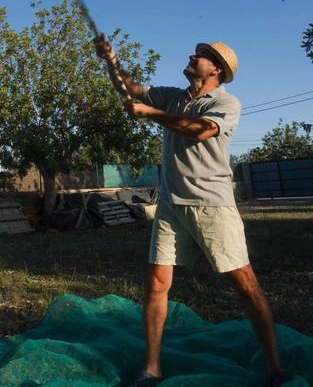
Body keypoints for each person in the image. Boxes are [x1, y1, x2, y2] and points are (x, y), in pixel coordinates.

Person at [94, 36, 290, 387]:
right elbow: (131, 87)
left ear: (216, 68)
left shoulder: (226, 102)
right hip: (170, 204)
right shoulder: (175, 97)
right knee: (156, 283)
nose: (192, 56)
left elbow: (199, 131)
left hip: (211, 204)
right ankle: (151, 370)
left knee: (246, 285)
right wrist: (111, 59)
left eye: (200, 56)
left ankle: (275, 368)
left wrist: (152, 115)